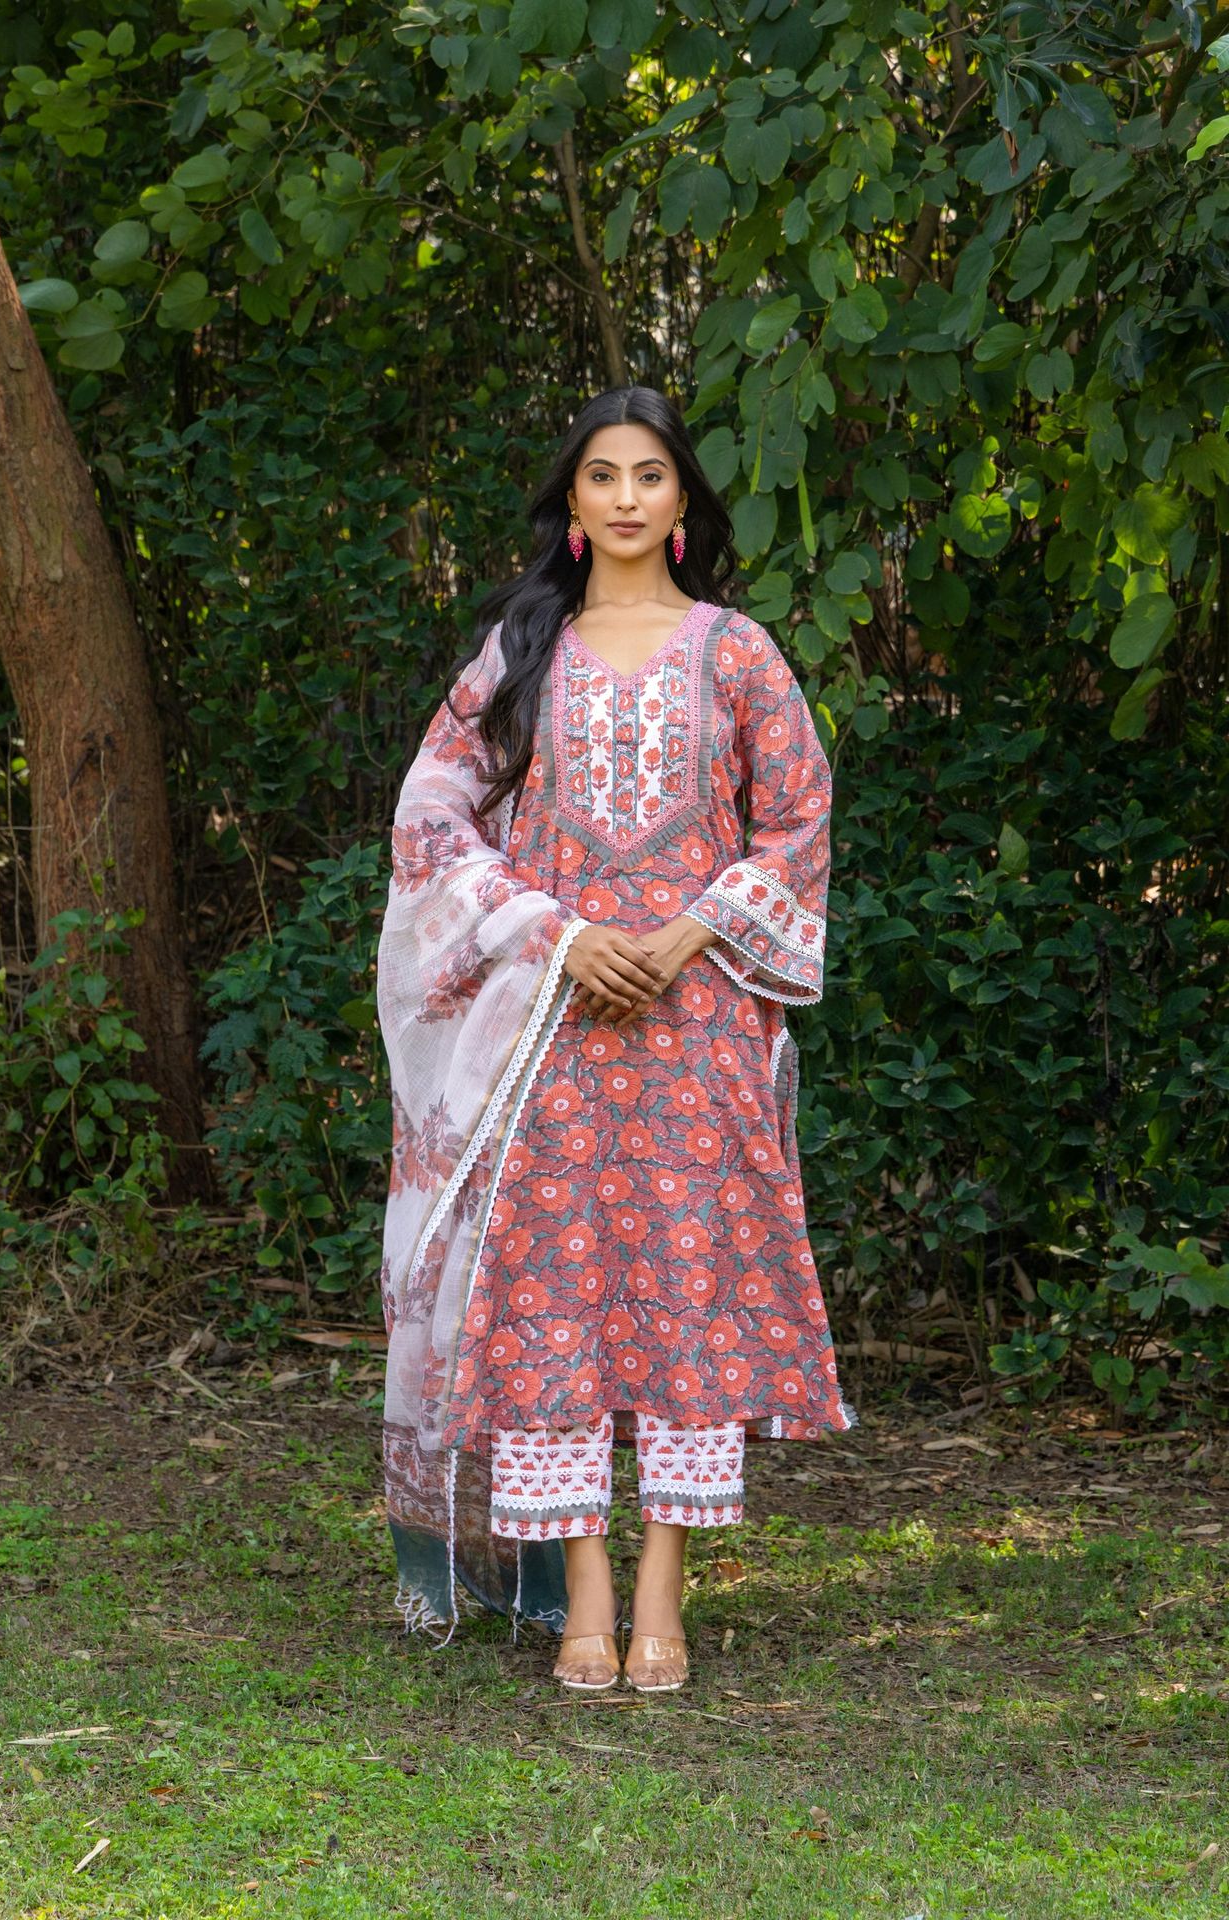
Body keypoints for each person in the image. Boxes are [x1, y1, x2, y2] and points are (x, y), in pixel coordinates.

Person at [376, 384, 856, 1695]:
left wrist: (690, 938)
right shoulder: (520, 653)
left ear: (684, 502)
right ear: (574, 505)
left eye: (654, 475)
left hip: (699, 1022)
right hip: (555, 1027)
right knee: (560, 1300)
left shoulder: (737, 652)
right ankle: (580, 1593)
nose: (631, 496)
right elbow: (431, 812)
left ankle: (662, 1595)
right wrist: (550, 930)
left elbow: (799, 821)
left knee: (685, 1294)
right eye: (604, 476)